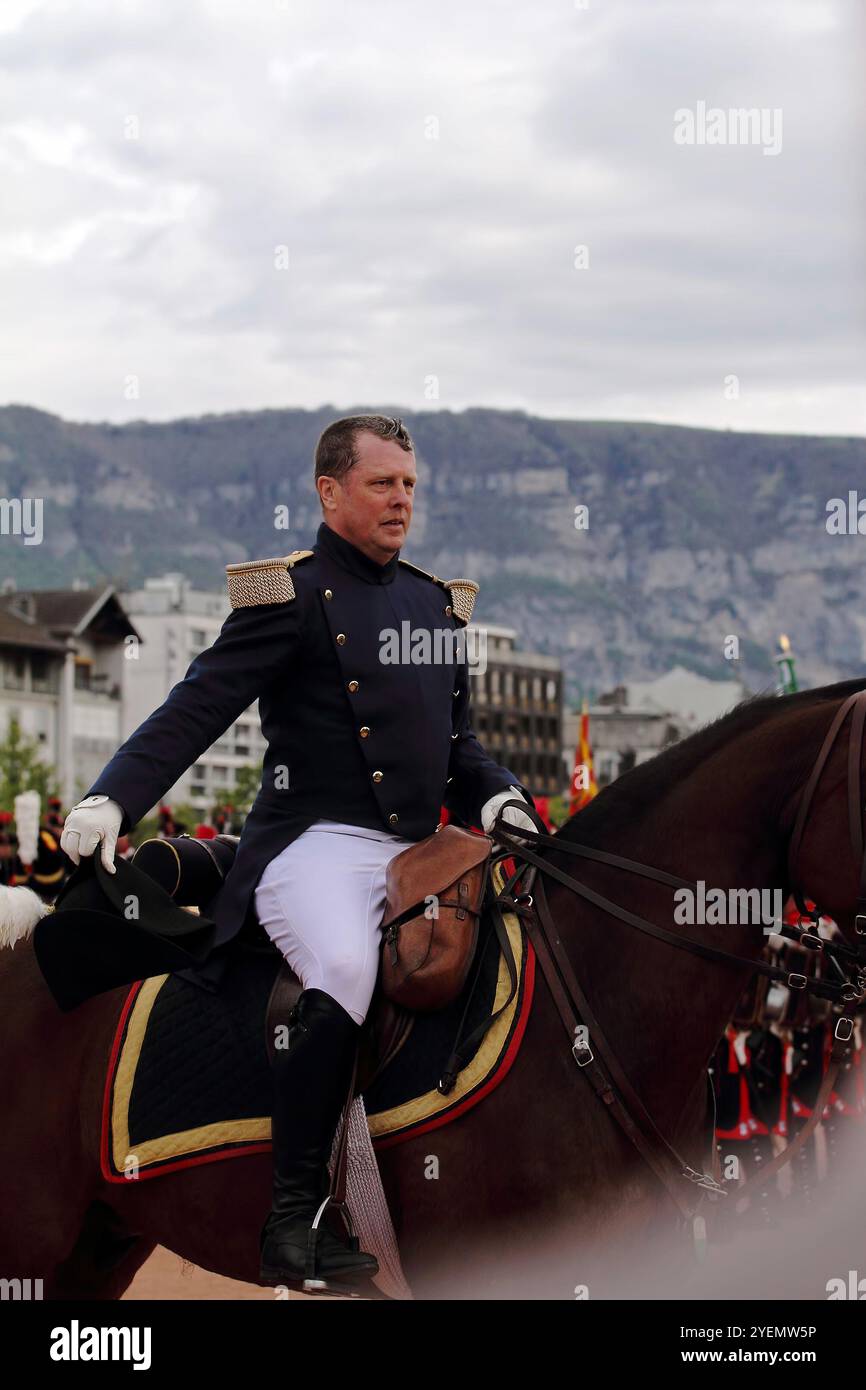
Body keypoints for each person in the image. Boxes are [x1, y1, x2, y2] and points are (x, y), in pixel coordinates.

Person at [60, 413, 536, 1295]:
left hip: (418, 851)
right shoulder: (289, 594)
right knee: (349, 968)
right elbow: (196, 706)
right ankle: (294, 1218)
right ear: (329, 492)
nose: (401, 501)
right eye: (381, 484)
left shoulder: (436, 604)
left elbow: (458, 745)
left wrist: (500, 793)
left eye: (409, 486)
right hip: (311, 845)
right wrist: (113, 795)